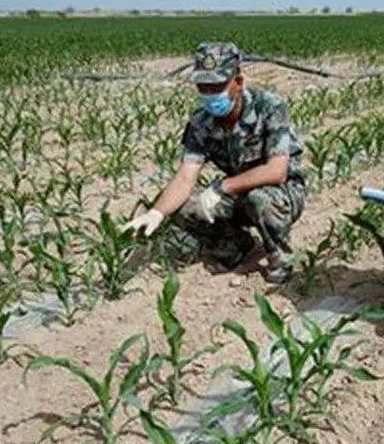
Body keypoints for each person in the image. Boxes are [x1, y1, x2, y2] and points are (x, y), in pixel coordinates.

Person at [126, 42, 306, 284]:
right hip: (237, 194)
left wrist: (222, 187)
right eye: (204, 86)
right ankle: (235, 245)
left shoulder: (269, 107)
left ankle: (280, 257)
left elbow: (277, 171)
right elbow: (184, 178)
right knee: (183, 205)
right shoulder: (201, 123)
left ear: (238, 82)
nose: (210, 94)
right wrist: (156, 213)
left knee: (259, 199)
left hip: (281, 195)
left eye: (217, 86)